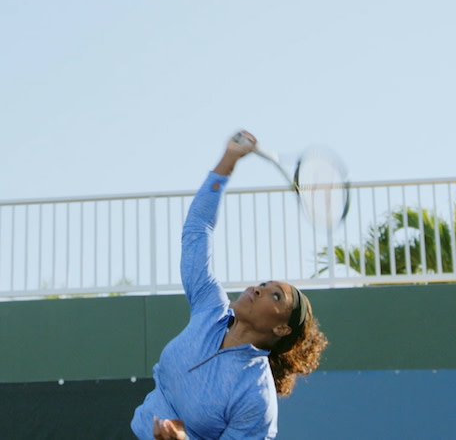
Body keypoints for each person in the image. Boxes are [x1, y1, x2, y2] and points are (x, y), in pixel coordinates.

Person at [131, 131, 328, 440]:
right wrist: (229, 160)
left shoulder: (255, 397)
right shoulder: (211, 307)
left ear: (281, 328)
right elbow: (198, 228)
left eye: (275, 295)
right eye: (263, 284)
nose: (258, 289)